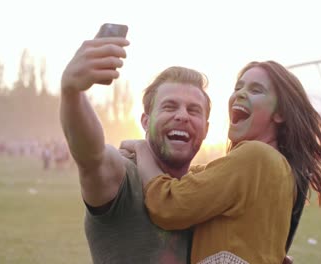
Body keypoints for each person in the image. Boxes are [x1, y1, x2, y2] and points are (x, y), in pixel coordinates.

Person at [126, 60, 321, 264]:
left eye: (256, 90)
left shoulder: (255, 156)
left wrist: (142, 150)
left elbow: (168, 207)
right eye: (238, 87)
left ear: (280, 113)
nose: (240, 94)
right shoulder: (279, 166)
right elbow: (199, 177)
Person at [59, 34, 212, 263]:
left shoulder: (207, 190)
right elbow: (92, 155)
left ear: (206, 129)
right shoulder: (123, 178)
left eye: (193, 110)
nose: (182, 116)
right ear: (144, 121)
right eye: (169, 107)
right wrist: (72, 94)